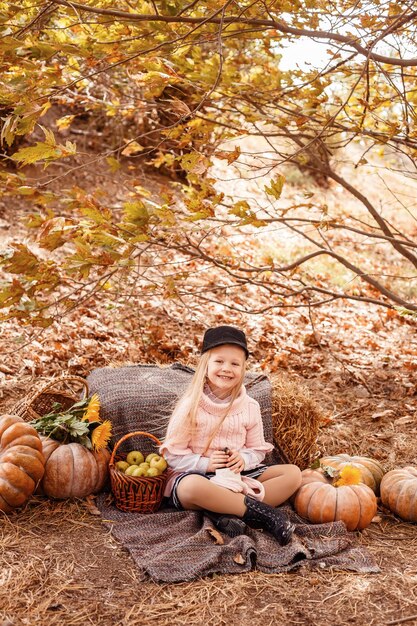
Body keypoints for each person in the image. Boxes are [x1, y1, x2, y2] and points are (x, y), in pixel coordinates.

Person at [160, 325, 302, 545]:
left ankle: (224, 511)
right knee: (190, 488)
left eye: (235, 363)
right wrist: (206, 464)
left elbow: (256, 451)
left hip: (236, 476)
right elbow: (173, 456)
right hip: (199, 477)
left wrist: (243, 459)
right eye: (219, 361)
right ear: (205, 364)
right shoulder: (190, 406)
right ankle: (264, 514)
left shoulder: (250, 407)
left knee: (293, 474)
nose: (227, 368)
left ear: (243, 368)